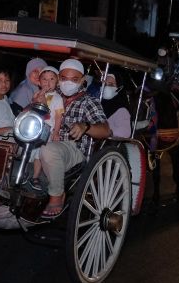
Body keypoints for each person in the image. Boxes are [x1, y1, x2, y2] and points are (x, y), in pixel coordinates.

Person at [36, 59, 110, 217]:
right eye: (63, 79)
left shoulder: (89, 102)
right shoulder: (51, 96)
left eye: (74, 79)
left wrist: (86, 127)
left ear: (82, 81)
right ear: (58, 78)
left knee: (48, 150)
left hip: (74, 149)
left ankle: (56, 196)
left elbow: (105, 131)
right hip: (46, 140)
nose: (68, 83)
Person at [29, 66, 65, 189]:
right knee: (30, 151)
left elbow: (58, 116)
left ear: (57, 82)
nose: (47, 82)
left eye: (51, 79)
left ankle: (35, 177)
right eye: (44, 79)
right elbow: (33, 105)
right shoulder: (37, 94)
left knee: (40, 153)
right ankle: (26, 173)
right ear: (39, 82)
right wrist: (40, 94)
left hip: (47, 130)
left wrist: (56, 132)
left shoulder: (58, 98)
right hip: (34, 126)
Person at [99, 72, 132, 138]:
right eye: (104, 84)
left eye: (111, 85)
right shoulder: (98, 104)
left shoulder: (121, 110)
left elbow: (125, 132)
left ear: (119, 88)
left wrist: (103, 132)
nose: (106, 87)